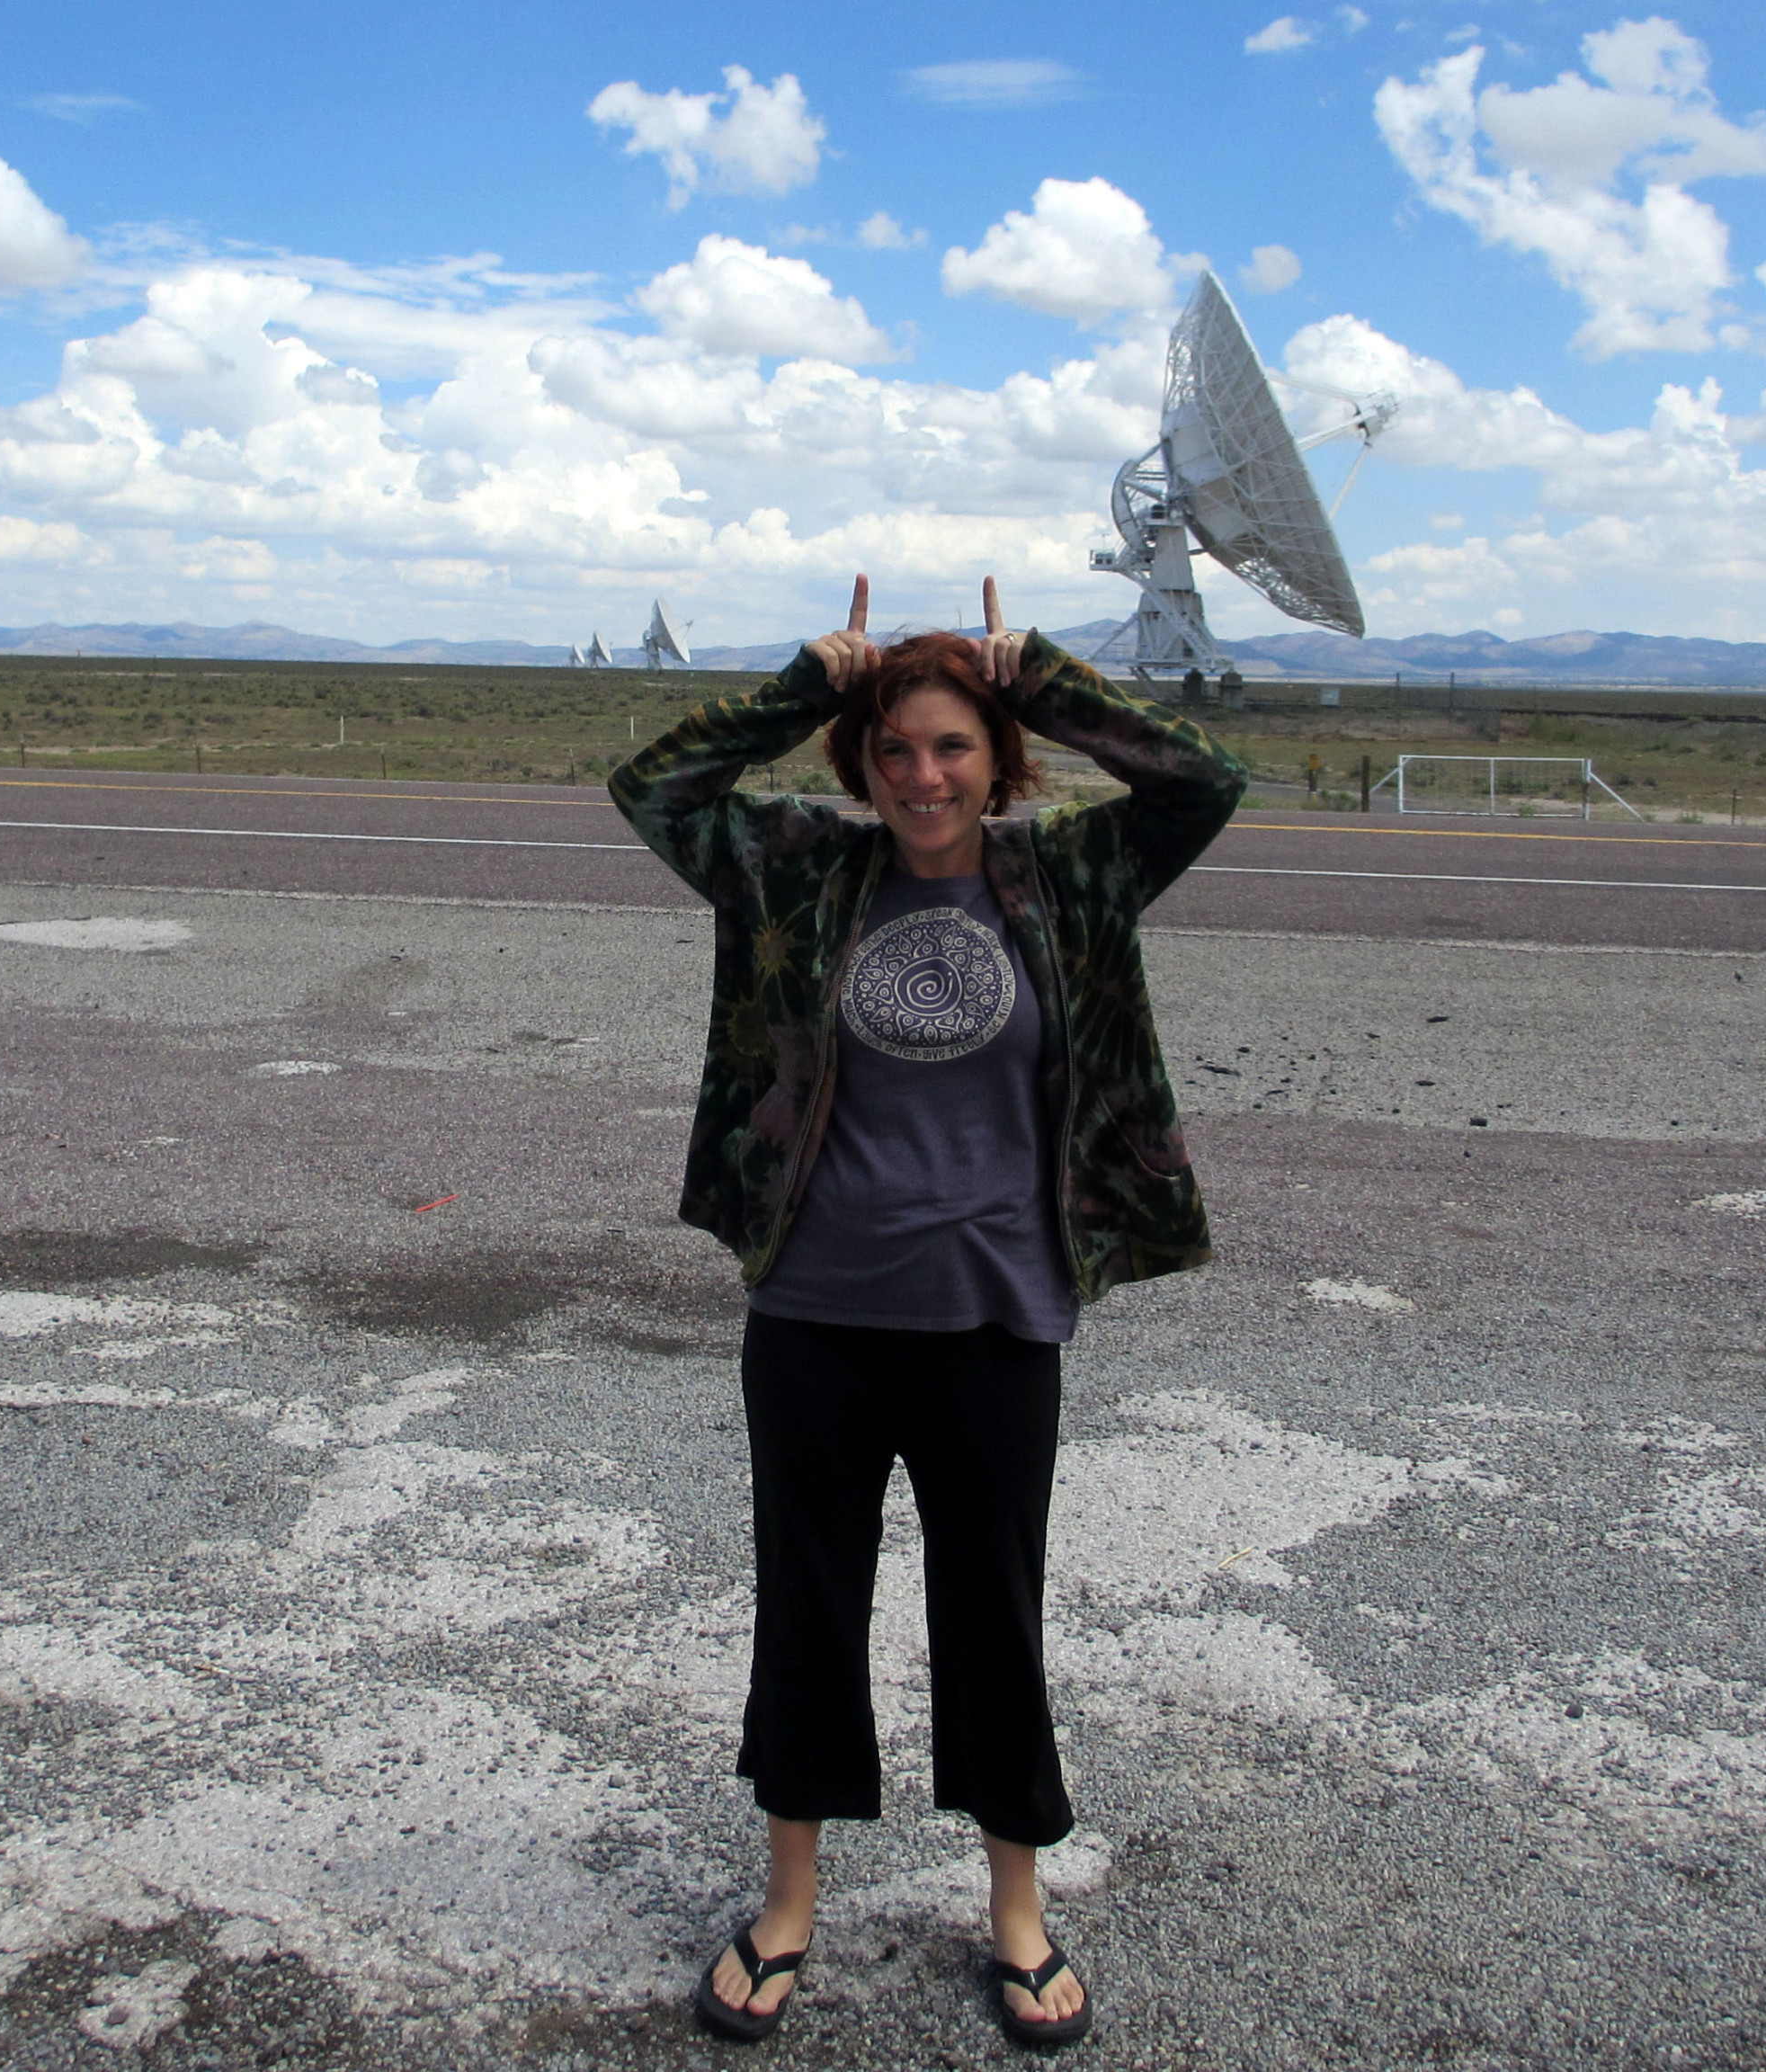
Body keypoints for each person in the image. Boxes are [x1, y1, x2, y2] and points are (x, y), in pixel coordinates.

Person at [610, 575, 1247, 2048]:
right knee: (809, 1611)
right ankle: (788, 1907)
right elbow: (654, 783)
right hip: (819, 1316)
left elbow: (1204, 776)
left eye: (955, 745)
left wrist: (1044, 676)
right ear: (859, 759)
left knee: (991, 1616)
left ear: (1000, 757)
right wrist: (808, 681)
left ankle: (1015, 1912)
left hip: (996, 1321)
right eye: (893, 747)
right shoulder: (796, 869)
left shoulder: (1068, 878)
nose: (923, 775)